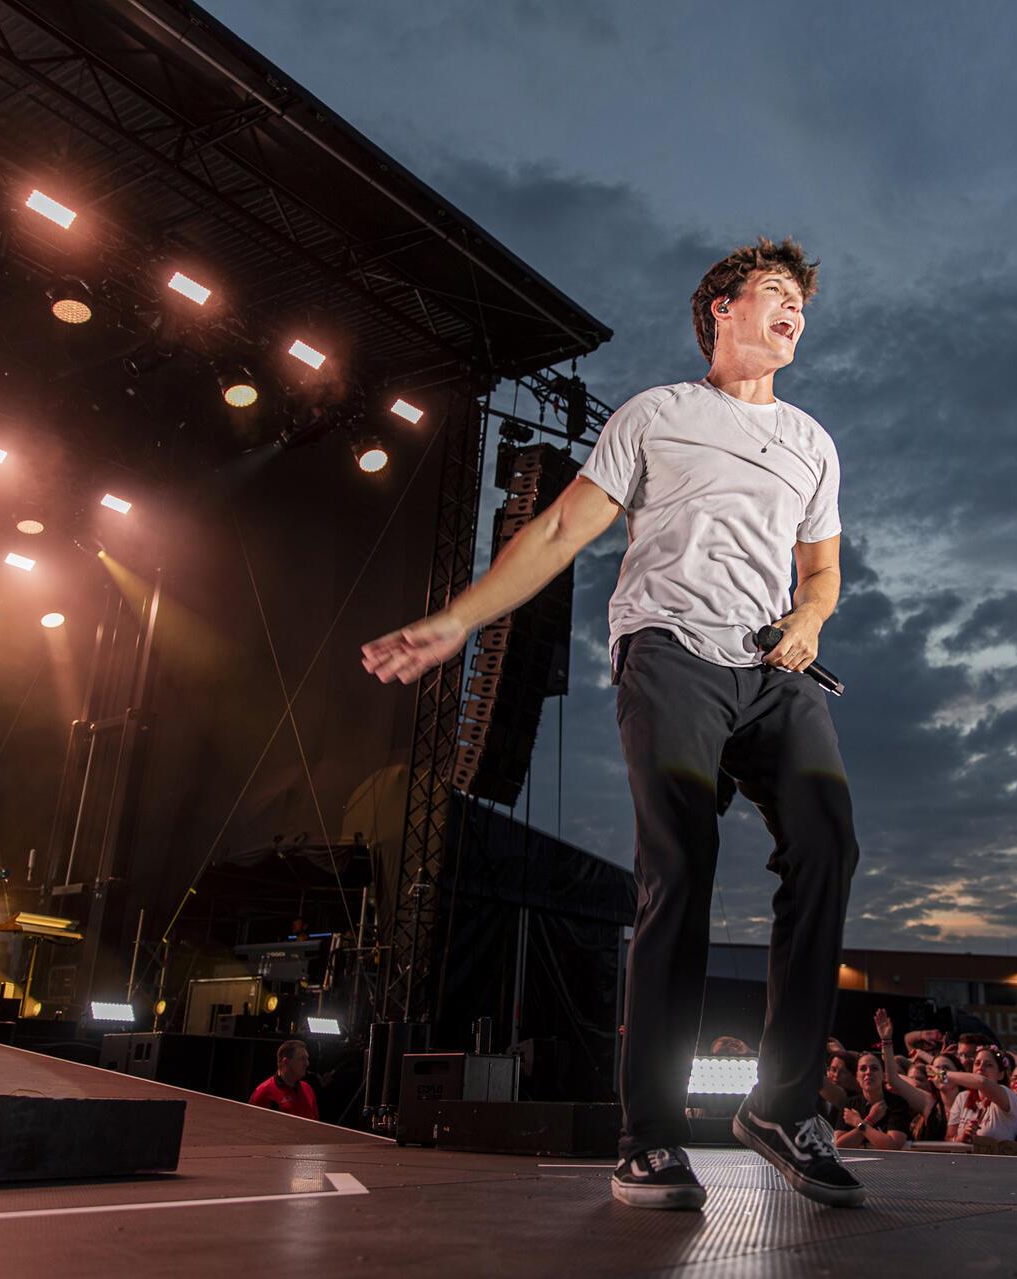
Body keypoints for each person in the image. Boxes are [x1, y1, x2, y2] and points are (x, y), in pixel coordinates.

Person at [363, 238, 856, 1212]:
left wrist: (808, 619)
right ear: (721, 306)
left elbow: (824, 571)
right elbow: (555, 530)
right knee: (682, 864)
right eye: (774, 294)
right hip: (670, 653)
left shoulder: (812, 441)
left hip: (770, 667)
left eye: (802, 301)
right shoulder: (657, 416)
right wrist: (457, 620)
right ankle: (651, 1137)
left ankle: (782, 1106)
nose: (794, 311)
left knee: (829, 843)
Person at [249, 1040, 319, 1120]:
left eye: (307, 1059)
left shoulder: (307, 1089)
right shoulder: (263, 1093)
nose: (307, 1063)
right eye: (302, 1059)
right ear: (286, 1062)